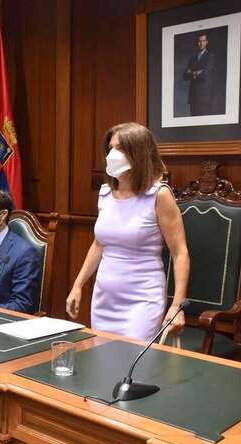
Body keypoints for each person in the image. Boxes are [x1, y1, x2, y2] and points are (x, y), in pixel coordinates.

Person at [65, 122, 189, 342]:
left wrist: (177, 305)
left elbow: (180, 253)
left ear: (138, 153)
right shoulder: (105, 193)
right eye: (111, 148)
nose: (112, 155)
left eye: (120, 148)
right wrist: (77, 285)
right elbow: (99, 244)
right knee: (103, 357)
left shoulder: (159, 195)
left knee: (132, 359)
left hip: (142, 299)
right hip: (104, 298)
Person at [183, 33, 215, 116]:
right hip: (193, 96)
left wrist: (192, 73)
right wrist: (197, 72)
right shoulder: (193, 57)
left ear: (207, 42)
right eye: (199, 41)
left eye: (203, 41)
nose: (201, 43)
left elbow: (206, 73)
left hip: (204, 96)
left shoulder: (210, 56)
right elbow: (185, 76)